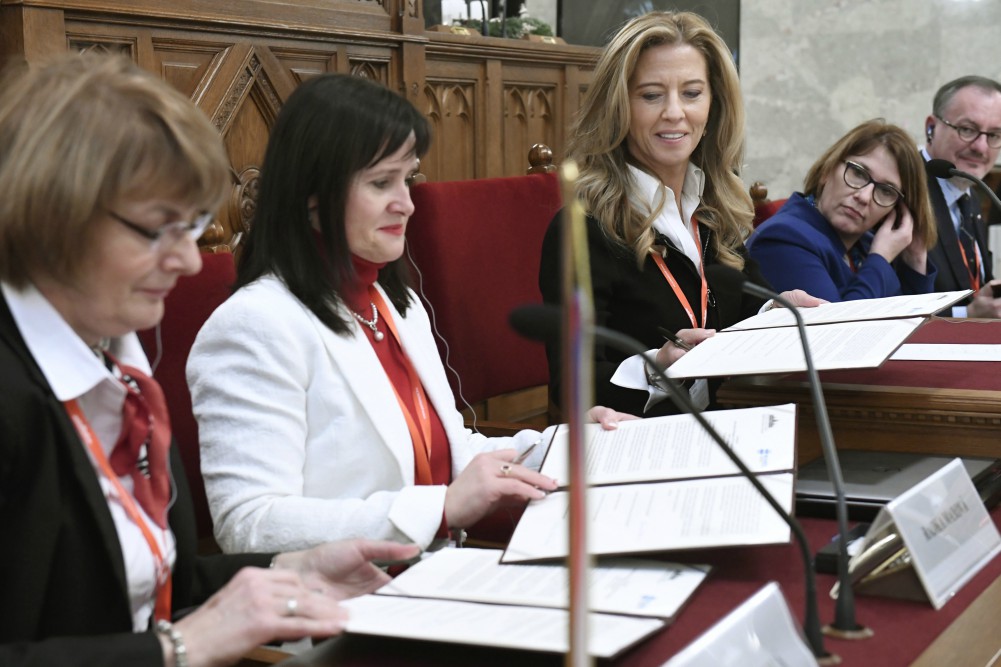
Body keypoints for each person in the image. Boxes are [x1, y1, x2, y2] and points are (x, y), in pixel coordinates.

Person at [0, 53, 423, 667]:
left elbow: (147, 590)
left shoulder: (115, 363)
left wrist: (292, 569)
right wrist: (183, 647)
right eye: (157, 229)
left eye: (192, 227)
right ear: (49, 218)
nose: (191, 261)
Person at [186, 73, 628, 555]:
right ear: (312, 193)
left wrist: (561, 447)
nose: (407, 204)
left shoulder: (393, 302)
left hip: (432, 574)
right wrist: (440, 509)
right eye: (382, 183)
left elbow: (450, 452)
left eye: (407, 179)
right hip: (345, 593)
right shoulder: (254, 326)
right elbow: (248, 525)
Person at [538, 11, 821, 419]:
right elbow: (571, 385)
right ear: (619, 107)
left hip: (730, 422)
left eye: (691, 93)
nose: (674, 112)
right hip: (646, 438)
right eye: (651, 95)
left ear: (713, 105)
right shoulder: (582, 228)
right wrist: (658, 367)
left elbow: (745, 307)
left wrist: (777, 311)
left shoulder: (715, 209)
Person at [747, 119, 938, 302]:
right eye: (858, 173)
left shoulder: (868, 244)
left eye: (886, 191)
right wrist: (880, 258)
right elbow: (840, 323)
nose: (864, 197)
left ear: (896, 210)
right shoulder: (783, 238)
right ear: (827, 170)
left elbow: (915, 319)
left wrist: (915, 258)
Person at [923, 76, 1001, 317]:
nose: (981, 147)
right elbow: (888, 302)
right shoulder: (899, 189)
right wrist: (967, 315)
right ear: (931, 127)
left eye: (994, 135)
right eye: (967, 129)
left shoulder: (970, 195)